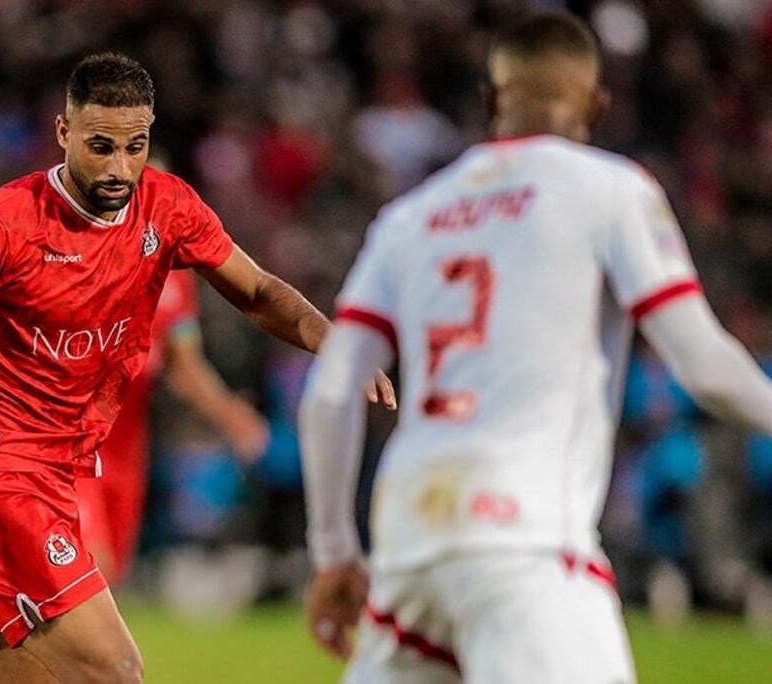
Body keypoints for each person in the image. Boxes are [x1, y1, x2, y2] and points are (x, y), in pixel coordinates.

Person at [0, 52, 394, 684]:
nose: (119, 168)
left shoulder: (167, 207)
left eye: (135, 147)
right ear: (64, 132)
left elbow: (258, 290)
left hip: (60, 476)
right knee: (116, 672)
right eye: (100, 147)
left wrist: (337, 342)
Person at [298, 11, 772, 684]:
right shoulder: (612, 189)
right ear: (597, 105)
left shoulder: (410, 216)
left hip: (410, 548)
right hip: (525, 545)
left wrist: (334, 552)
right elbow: (703, 365)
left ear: (491, 99)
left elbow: (330, 393)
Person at [75, 268, 269, 585]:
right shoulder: (88, 257)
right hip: (73, 439)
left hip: (127, 448)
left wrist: (229, 413)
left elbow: (184, 364)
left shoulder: (175, 279)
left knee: (110, 577)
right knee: (89, 572)